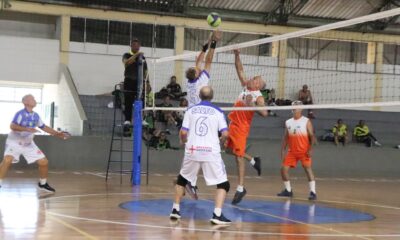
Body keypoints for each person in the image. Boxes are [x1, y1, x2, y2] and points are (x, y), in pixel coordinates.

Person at [170, 86, 231, 225]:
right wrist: (221, 141)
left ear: (199, 95)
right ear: (212, 96)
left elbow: (184, 132)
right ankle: (217, 214)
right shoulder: (218, 111)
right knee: (223, 184)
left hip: (192, 150)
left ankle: (175, 209)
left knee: (182, 180)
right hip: (211, 151)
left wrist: (184, 141)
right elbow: (226, 134)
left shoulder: (190, 110)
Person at [0, 94, 70, 192]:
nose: (35, 100)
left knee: (44, 162)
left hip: (28, 143)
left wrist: (57, 133)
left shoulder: (36, 116)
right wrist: (26, 129)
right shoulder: (20, 114)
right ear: (26, 102)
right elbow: (12, 126)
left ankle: (43, 183)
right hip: (15, 141)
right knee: (7, 160)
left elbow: (43, 127)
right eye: (32, 98)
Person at [183, 29, 222, 199]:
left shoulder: (191, 82)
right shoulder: (201, 81)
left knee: (192, 152)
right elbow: (208, 61)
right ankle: (189, 181)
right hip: (200, 119)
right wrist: (214, 43)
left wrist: (205, 46)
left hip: (191, 118)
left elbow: (199, 61)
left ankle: (187, 181)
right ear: (197, 74)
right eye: (197, 69)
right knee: (202, 152)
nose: (198, 68)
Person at [225, 49, 268, 205]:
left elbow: (265, 113)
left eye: (256, 79)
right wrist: (237, 55)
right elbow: (239, 69)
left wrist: (253, 105)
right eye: (254, 78)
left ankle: (241, 188)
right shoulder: (245, 86)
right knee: (227, 150)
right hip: (233, 124)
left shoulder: (258, 96)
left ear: (258, 85)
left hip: (242, 127)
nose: (252, 79)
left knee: (237, 156)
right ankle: (253, 160)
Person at [277, 100, 317, 201]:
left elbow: (312, 136)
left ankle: (313, 192)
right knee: (283, 170)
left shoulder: (306, 121)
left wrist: (310, 149)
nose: (294, 108)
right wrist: (282, 149)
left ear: (301, 109)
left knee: (308, 169)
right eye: (293, 106)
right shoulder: (288, 122)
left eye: (296, 106)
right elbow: (286, 137)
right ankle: (288, 190)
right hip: (292, 152)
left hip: (304, 151)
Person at [122, 38, 149, 136]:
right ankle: (128, 120)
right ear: (131, 46)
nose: (136, 47)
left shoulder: (143, 58)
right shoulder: (126, 55)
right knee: (128, 101)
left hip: (140, 81)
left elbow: (146, 71)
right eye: (134, 45)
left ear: (139, 46)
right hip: (129, 80)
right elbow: (126, 63)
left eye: (137, 45)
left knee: (142, 100)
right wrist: (137, 55)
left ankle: (142, 119)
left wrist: (147, 82)